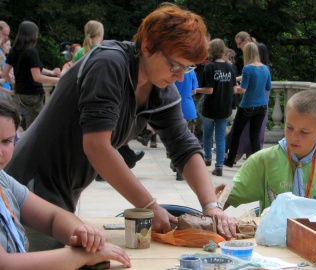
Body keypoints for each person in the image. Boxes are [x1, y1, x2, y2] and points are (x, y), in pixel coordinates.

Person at [5, 4, 236, 251]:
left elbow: (184, 145)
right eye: (175, 65)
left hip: (64, 191)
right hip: (29, 186)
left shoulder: (160, 84)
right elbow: (96, 147)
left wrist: (211, 206)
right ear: (147, 46)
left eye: (188, 68)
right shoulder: (109, 64)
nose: (180, 77)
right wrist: (149, 205)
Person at [0, 95, 131, 268]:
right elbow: (6, 264)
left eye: (6, 141)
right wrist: (80, 256)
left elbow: (53, 217)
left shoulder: (4, 181)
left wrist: (81, 233)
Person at [218, 90, 316, 215]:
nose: (293, 137)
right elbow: (225, 199)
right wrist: (214, 207)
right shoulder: (264, 160)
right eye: (289, 127)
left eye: (304, 132)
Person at [2, 21, 60, 129]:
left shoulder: (14, 51)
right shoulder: (31, 52)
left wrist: (13, 83)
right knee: (36, 127)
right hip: (33, 95)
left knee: (22, 123)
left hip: (19, 94)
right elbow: (37, 76)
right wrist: (59, 80)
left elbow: (5, 73)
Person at [224, 42, 271, 167]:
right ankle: (256, 164)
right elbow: (268, 86)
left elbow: (243, 89)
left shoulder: (248, 68)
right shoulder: (265, 68)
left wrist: (233, 87)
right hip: (262, 106)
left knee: (236, 134)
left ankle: (229, 161)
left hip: (248, 106)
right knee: (254, 136)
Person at [196, 39, 237, 177]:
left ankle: (207, 157)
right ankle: (219, 166)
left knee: (207, 134)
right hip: (225, 107)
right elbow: (234, 89)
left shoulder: (209, 67)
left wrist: (196, 90)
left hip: (210, 106)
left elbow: (209, 90)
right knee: (220, 138)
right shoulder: (230, 67)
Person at [174, 65, 199, 180]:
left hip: (174, 109)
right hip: (189, 108)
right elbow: (194, 90)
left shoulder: (173, 71)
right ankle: (183, 169)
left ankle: (176, 164)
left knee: (175, 140)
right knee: (188, 142)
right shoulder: (191, 72)